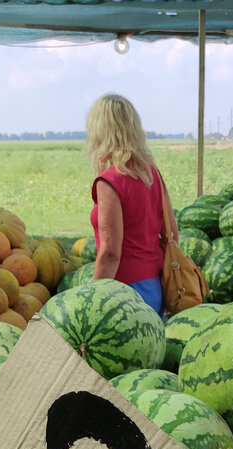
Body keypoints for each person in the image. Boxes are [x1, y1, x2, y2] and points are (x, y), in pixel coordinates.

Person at [85, 94, 170, 315]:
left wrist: (91, 299)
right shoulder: (151, 173)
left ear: (100, 131)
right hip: (155, 285)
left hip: (124, 290)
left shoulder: (110, 181)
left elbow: (111, 253)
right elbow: (172, 233)